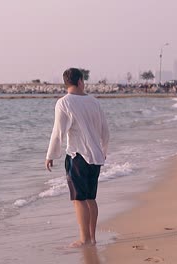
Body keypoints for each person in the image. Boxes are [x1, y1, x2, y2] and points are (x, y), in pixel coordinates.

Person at [45, 68, 109, 248]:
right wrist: (103, 149)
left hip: (78, 156)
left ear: (67, 83)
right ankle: (92, 237)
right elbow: (105, 130)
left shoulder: (63, 103)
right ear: (80, 81)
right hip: (96, 157)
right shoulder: (94, 101)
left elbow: (58, 132)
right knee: (90, 198)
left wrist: (50, 155)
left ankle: (84, 239)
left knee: (79, 199)